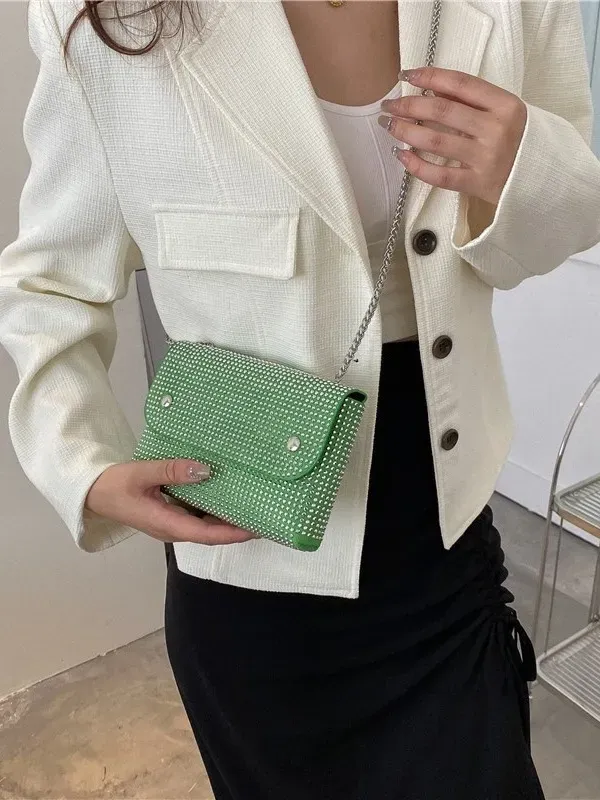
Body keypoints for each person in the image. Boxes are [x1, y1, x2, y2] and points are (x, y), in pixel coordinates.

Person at [1, 0, 599, 796]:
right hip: (250, 559)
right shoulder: (100, 18)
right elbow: (48, 284)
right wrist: (81, 463)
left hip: (442, 537)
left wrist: (524, 169)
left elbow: (564, 220)